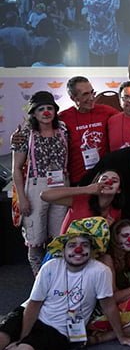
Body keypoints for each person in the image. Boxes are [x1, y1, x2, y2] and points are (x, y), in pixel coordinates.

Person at [0, 217, 130, 350]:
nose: (78, 250)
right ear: (63, 249)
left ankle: (10, 349)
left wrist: (121, 337)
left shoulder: (100, 271)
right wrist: (23, 336)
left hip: (59, 329)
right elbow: (34, 304)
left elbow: (109, 306)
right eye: (72, 245)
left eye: (85, 245)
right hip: (29, 313)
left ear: (91, 251)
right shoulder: (50, 267)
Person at [11, 91, 70, 274]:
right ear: (34, 113)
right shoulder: (25, 134)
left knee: (59, 237)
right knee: (35, 238)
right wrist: (22, 198)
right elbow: (16, 169)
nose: (46, 112)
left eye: (49, 108)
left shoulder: (63, 129)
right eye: (41, 109)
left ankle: (56, 277)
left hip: (61, 185)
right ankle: (39, 280)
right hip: (36, 187)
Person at [59, 76, 118, 187]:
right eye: (85, 94)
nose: (91, 98)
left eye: (92, 93)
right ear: (73, 98)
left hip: (103, 178)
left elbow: (128, 120)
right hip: (77, 180)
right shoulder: (63, 118)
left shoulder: (107, 111)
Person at [41, 169, 123, 233]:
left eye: (114, 181)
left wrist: (108, 229)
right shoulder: (81, 199)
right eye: (104, 179)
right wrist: (86, 189)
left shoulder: (116, 211)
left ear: (119, 190)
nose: (108, 182)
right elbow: (45, 195)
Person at [83, 0, 120, 66]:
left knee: (95, 71)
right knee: (111, 72)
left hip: (95, 42)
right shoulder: (114, 1)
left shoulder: (88, 0)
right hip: (110, 43)